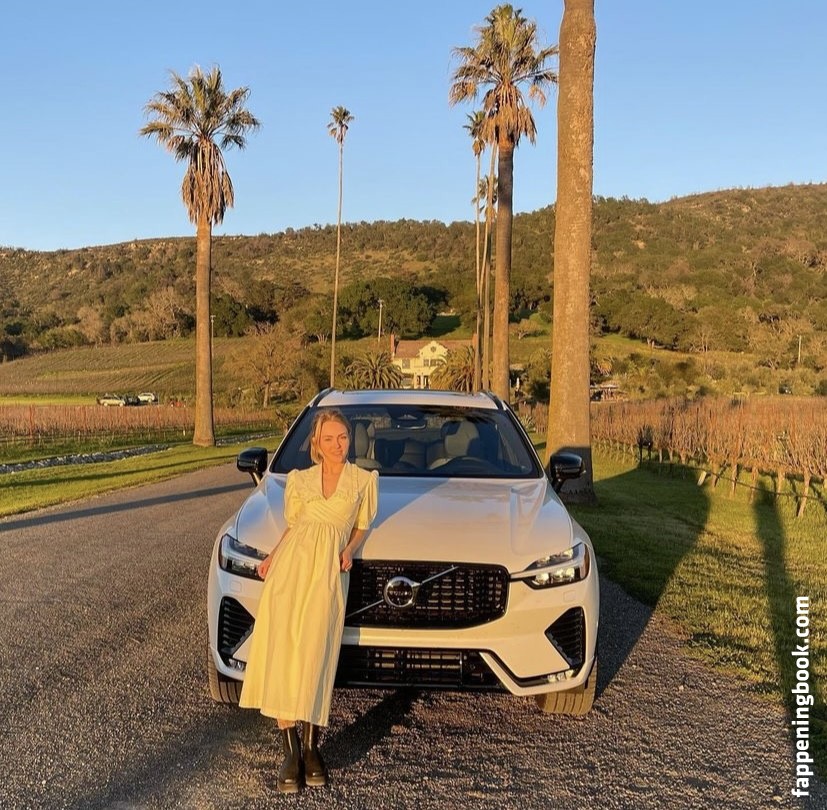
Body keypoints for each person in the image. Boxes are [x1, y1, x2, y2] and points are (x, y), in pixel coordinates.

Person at [239, 409, 379, 793]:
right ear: (316, 443)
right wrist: (272, 558)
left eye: (343, 437)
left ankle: (313, 746)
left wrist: (350, 550)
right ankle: (291, 751)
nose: (337, 445)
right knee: (284, 655)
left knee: (316, 654)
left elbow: (362, 524)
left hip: (328, 572)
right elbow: (294, 526)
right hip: (290, 569)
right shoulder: (299, 480)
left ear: (351, 439)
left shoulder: (363, 481)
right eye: (329, 439)